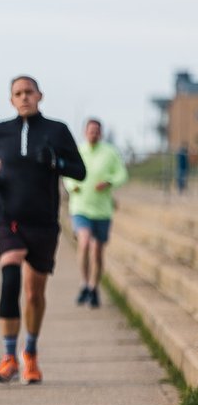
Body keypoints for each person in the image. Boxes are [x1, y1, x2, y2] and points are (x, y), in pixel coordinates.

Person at [0, 76, 86, 384]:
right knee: (10, 279)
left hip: (43, 222)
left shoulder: (57, 130)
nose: (24, 97)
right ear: (10, 100)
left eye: (29, 92)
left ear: (40, 95)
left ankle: (31, 353)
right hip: (8, 218)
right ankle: (8, 357)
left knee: (34, 294)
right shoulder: (1, 131)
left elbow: (80, 170)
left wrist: (56, 161)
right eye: (18, 93)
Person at [63, 119, 128, 308]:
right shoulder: (78, 152)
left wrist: (109, 182)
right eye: (90, 130)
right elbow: (67, 174)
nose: (93, 133)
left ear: (101, 133)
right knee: (84, 242)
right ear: (85, 132)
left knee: (97, 251)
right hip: (80, 207)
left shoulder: (110, 152)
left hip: (102, 210)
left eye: (97, 131)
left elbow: (122, 174)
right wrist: (72, 186)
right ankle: (84, 282)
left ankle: (93, 287)